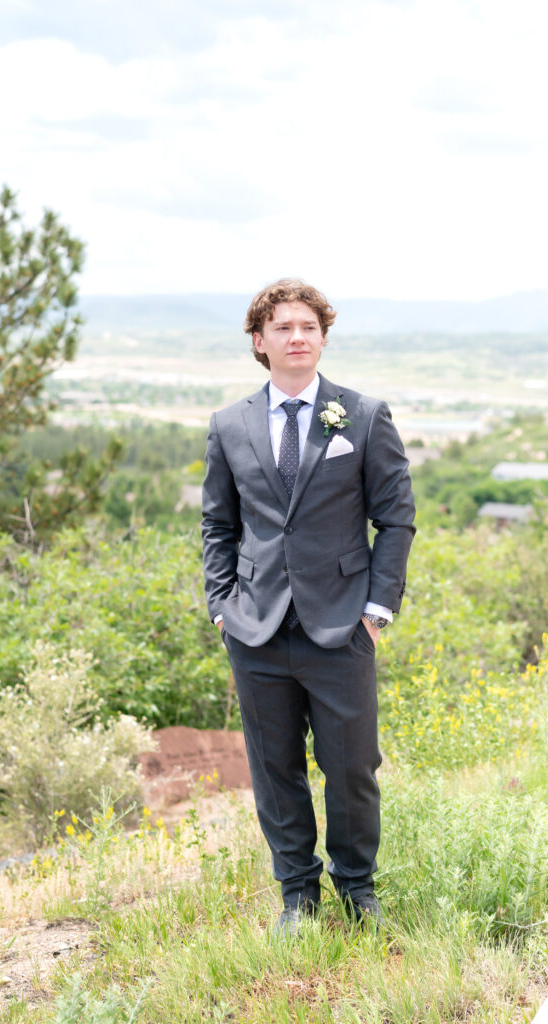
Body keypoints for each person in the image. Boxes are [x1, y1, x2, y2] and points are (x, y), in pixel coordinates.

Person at [201, 278, 415, 935]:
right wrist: (220, 605)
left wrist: (376, 610)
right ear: (259, 342)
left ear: (322, 339)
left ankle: (357, 893)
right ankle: (297, 897)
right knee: (274, 770)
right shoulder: (228, 425)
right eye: (284, 328)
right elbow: (218, 525)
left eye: (309, 328)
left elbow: (396, 519)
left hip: (342, 625)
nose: (298, 337)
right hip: (255, 628)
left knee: (352, 768)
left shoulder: (363, 415)